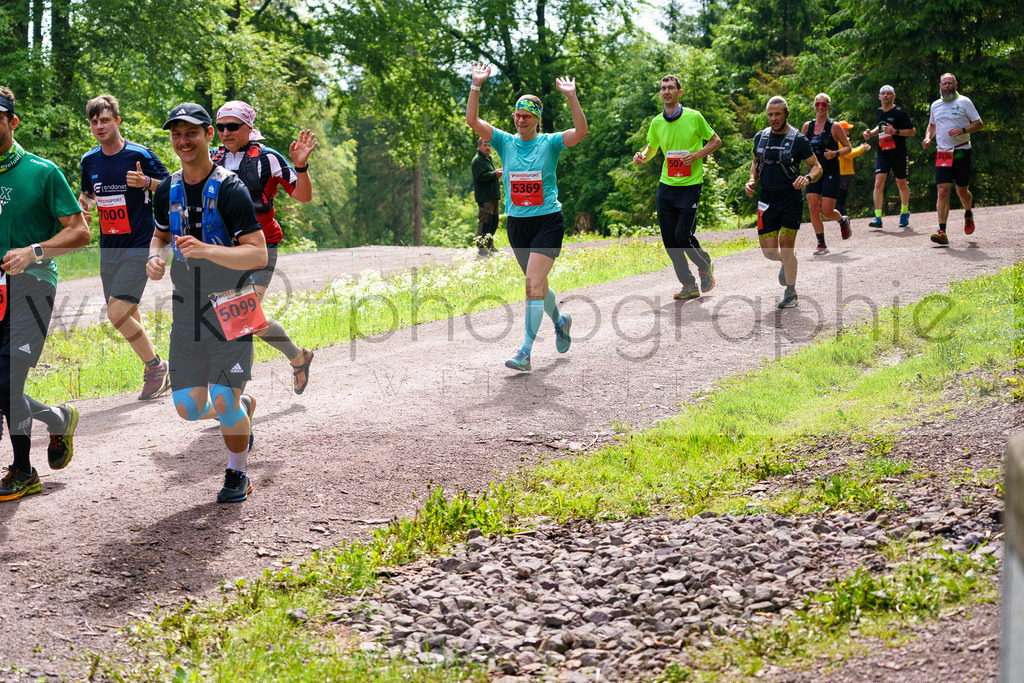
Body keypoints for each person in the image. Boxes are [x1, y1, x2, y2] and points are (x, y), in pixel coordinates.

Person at [148, 103, 267, 503]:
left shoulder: (231, 188)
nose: (183, 141)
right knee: (187, 407)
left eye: (191, 133)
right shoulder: (166, 189)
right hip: (187, 306)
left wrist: (206, 250)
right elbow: (160, 236)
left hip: (233, 301)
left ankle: (237, 473)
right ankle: (241, 406)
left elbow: (258, 254)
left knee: (222, 399)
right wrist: (155, 258)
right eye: (176, 134)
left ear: (208, 135)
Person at [465, 63, 587, 372]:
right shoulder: (504, 141)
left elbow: (581, 132)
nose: (521, 121)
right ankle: (560, 322)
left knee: (532, 286)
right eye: (517, 116)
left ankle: (525, 352)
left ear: (537, 119)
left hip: (548, 221)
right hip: (518, 224)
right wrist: (476, 85)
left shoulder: (550, 143)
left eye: (527, 116)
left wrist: (572, 97)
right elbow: (472, 121)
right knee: (538, 285)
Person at [0, 85, 90, 501]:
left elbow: (80, 231)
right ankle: (57, 418)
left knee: (7, 379)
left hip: (32, 283)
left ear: (13, 122)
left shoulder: (42, 171)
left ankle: (23, 470)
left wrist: (33, 251)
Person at [211, 101, 316, 394]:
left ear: (248, 127)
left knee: (242, 316)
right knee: (246, 320)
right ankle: (298, 356)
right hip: (224, 249)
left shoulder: (268, 158)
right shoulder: (210, 158)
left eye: (233, 126)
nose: (226, 132)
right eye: (221, 127)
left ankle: (232, 396)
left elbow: (303, 196)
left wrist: (301, 166)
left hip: (261, 246)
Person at [78, 94, 171, 400]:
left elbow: (174, 186)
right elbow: (88, 194)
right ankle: (158, 369)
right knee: (127, 310)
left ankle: (156, 367)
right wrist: (84, 206)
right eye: (94, 121)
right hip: (110, 247)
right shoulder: (89, 160)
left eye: (105, 120)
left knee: (116, 313)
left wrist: (146, 183)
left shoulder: (139, 154)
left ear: (117, 121)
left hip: (140, 245)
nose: (99, 126)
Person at [632, 74, 722, 300]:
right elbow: (652, 148)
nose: (666, 91)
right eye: (663, 88)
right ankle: (688, 284)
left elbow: (716, 141)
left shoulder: (694, 117)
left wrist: (697, 155)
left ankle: (704, 264)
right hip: (666, 186)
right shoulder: (657, 122)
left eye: (671, 87)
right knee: (670, 241)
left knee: (682, 235)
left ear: (679, 92)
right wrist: (643, 156)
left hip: (690, 185)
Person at [745, 96, 822, 309]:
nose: (773, 118)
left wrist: (807, 178)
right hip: (767, 202)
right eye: (770, 114)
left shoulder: (798, 139)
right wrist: (751, 180)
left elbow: (817, 167)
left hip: (790, 201)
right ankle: (785, 263)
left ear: (787, 114)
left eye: (778, 114)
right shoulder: (760, 137)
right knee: (769, 252)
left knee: (787, 246)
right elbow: (755, 163)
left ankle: (791, 291)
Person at [922, 73, 983, 246]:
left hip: (962, 151)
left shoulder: (965, 102)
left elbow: (979, 123)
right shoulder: (935, 105)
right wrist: (928, 138)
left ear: (956, 85)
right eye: (944, 83)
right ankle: (942, 231)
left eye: (950, 83)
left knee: (962, 191)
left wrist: (963, 130)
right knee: (942, 190)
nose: (947, 86)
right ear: (940, 86)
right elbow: (932, 125)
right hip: (943, 153)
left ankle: (968, 213)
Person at [800, 93, 852, 255]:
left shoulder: (834, 126)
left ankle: (842, 220)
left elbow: (848, 147)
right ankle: (821, 243)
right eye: (818, 104)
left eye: (824, 104)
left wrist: (835, 153)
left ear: (828, 107)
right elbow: (800, 147)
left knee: (827, 211)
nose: (820, 107)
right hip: (814, 172)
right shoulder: (807, 127)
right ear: (814, 106)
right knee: (813, 207)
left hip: (830, 171)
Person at [863, 85, 916, 229]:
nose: (886, 96)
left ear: (894, 96)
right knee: (878, 182)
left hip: (899, 153)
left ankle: (904, 212)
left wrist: (895, 131)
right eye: (883, 93)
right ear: (879, 97)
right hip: (883, 152)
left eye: (888, 93)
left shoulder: (899, 113)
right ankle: (878, 217)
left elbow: (912, 131)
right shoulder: (879, 111)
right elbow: (880, 127)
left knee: (901, 182)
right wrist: (870, 133)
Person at [472, 137, 502, 256]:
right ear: (479, 146)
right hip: (485, 197)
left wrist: (496, 172)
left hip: (493, 196)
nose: (488, 148)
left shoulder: (488, 159)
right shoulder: (477, 160)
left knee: (493, 222)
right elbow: (480, 177)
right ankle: (481, 247)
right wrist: (495, 174)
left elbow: (489, 173)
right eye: (485, 145)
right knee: (485, 222)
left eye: (489, 145)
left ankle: (490, 245)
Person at [835, 121, 870, 217]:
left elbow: (850, 150)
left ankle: (842, 215)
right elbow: (848, 154)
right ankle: (840, 216)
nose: (848, 131)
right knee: (840, 196)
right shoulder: (839, 141)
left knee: (842, 195)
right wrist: (862, 149)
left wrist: (861, 147)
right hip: (842, 171)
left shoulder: (843, 140)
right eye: (847, 129)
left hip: (845, 171)